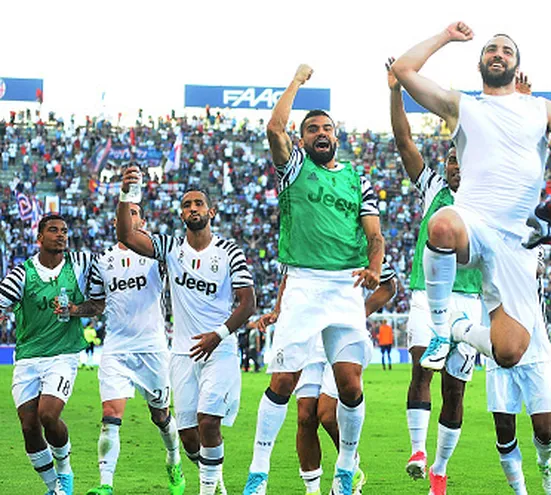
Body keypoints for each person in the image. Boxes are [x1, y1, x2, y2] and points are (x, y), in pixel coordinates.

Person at [390, 22, 551, 376]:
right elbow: (403, 70)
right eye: (491, 49)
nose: (498, 54)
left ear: (516, 66)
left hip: (518, 241)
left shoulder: (542, 110)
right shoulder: (463, 106)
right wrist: (445, 36)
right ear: (480, 64)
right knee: (441, 223)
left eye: (506, 51)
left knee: (508, 352)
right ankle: (441, 330)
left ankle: (459, 329)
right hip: (474, 223)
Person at [243, 64, 385, 495]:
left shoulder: (358, 179)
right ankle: (258, 471)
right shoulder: (294, 170)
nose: (320, 133)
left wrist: (375, 265)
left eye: (327, 127)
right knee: (283, 383)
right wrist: (298, 82)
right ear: (302, 139)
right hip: (303, 283)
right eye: (312, 129)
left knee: (350, 386)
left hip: (345, 285)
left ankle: (345, 467)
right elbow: (273, 127)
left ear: (337, 136)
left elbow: (375, 234)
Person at [116, 173, 256, 495]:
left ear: (211, 212)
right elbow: (126, 233)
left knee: (209, 421)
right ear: (181, 214)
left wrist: (218, 335)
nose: (193, 208)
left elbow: (248, 303)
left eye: (199, 204)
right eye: (187, 205)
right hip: (181, 353)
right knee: (190, 437)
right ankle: (214, 478)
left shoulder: (229, 252)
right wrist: (126, 194)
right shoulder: (170, 248)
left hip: (219, 349)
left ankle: (206, 490)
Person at [386, 56, 484, 493]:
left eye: (460, 159)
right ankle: (418, 451)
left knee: (456, 391)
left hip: (471, 300)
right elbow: (404, 140)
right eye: (449, 159)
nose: (454, 165)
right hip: (427, 294)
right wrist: (395, 91)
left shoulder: (487, 199)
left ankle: (440, 471)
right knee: (421, 366)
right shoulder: (432, 189)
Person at [244, 262, 397, 495]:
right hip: (307, 333)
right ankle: (312, 489)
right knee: (305, 416)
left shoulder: (355, 232)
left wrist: (357, 312)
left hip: (341, 329)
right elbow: (289, 277)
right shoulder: (300, 235)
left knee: (327, 414)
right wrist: (278, 311)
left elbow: (389, 285)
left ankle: (349, 466)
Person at [65, 203, 186, 495]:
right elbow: (97, 304)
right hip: (117, 348)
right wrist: (73, 309)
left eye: (135, 213)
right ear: (117, 221)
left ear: (143, 221)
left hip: (152, 349)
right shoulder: (103, 261)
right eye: (125, 213)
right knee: (110, 417)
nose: (130, 217)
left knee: (160, 416)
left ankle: (174, 459)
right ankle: (105, 484)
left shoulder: (158, 255)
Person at [0, 214, 92, 495]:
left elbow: (99, 305)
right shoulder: (22, 273)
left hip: (63, 355)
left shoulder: (79, 267)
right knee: (29, 427)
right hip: (27, 357)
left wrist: (76, 310)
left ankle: (64, 471)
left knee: (48, 416)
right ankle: (54, 487)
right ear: (39, 238)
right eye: (53, 230)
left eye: (64, 230)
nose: (61, 235)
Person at [482, 244, 551, 494]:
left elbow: (536, 269)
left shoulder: (529, 235)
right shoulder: (482, 236)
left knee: (544, 430)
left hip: (536, 349)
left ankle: (545, 463)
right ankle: (520, 492)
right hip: (498, 350)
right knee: (504, 431)